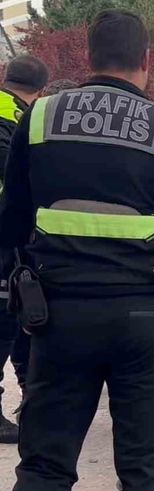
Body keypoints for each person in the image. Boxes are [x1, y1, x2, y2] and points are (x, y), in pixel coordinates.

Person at [0, 10, 154, 491]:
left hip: (57, 317)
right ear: (146, 60)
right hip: (142, 323)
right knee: (148, 477)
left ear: (89, 57)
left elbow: (12, 221)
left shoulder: (38, 120)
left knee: (43, 470)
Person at [0, 54, 49, 444]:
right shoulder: (19, 122)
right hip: (5, 243)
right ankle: (34, 403)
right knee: (8, 327)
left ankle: (33, 403)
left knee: (18, 325)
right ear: (40, 91)